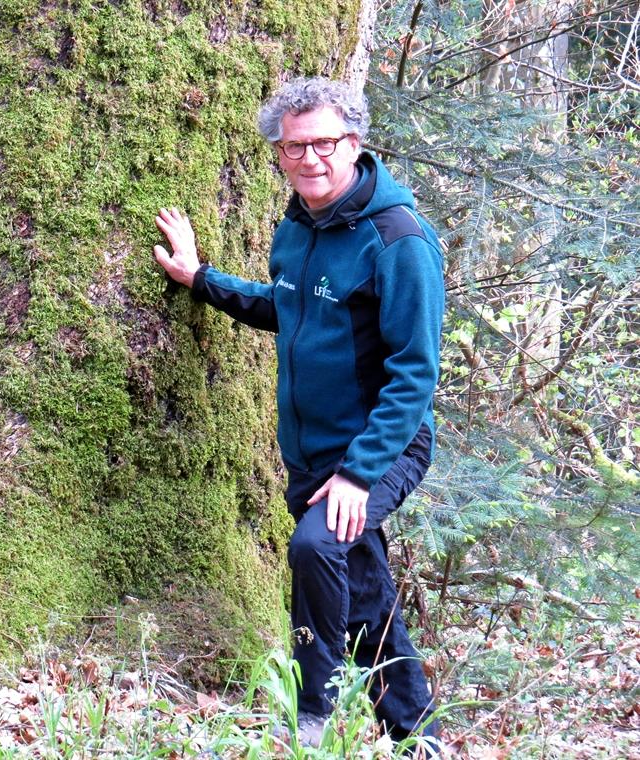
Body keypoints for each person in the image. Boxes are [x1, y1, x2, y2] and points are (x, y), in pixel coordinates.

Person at [152, 77, 444, 747]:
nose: (309, 159)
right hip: (310, 453)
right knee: (364, 592)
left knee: (315, 548)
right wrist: (201, 279)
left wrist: (358, 475)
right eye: (292, 148)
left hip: (381, 450)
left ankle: (311, 711)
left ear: (356, 142)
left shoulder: (398, 239)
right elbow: (286, 307)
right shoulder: (298, 225)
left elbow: (414, 374)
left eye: (324, 144)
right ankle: (416, 736)